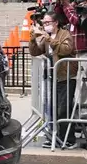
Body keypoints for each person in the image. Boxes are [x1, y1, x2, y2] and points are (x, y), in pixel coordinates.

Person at [28, 12, 78, 149]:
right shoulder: (46, 37)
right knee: (52, 109)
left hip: (65, 76)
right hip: (51, 77)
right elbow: (35, 52)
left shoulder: (65, 34)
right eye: (44, 23)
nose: (45, 26)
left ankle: (68, 138)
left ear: (56, 23)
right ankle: (53, 136)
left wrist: (48, 39)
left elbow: (66, 50)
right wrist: (33, 39)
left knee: (64, 109)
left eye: (48, 23)